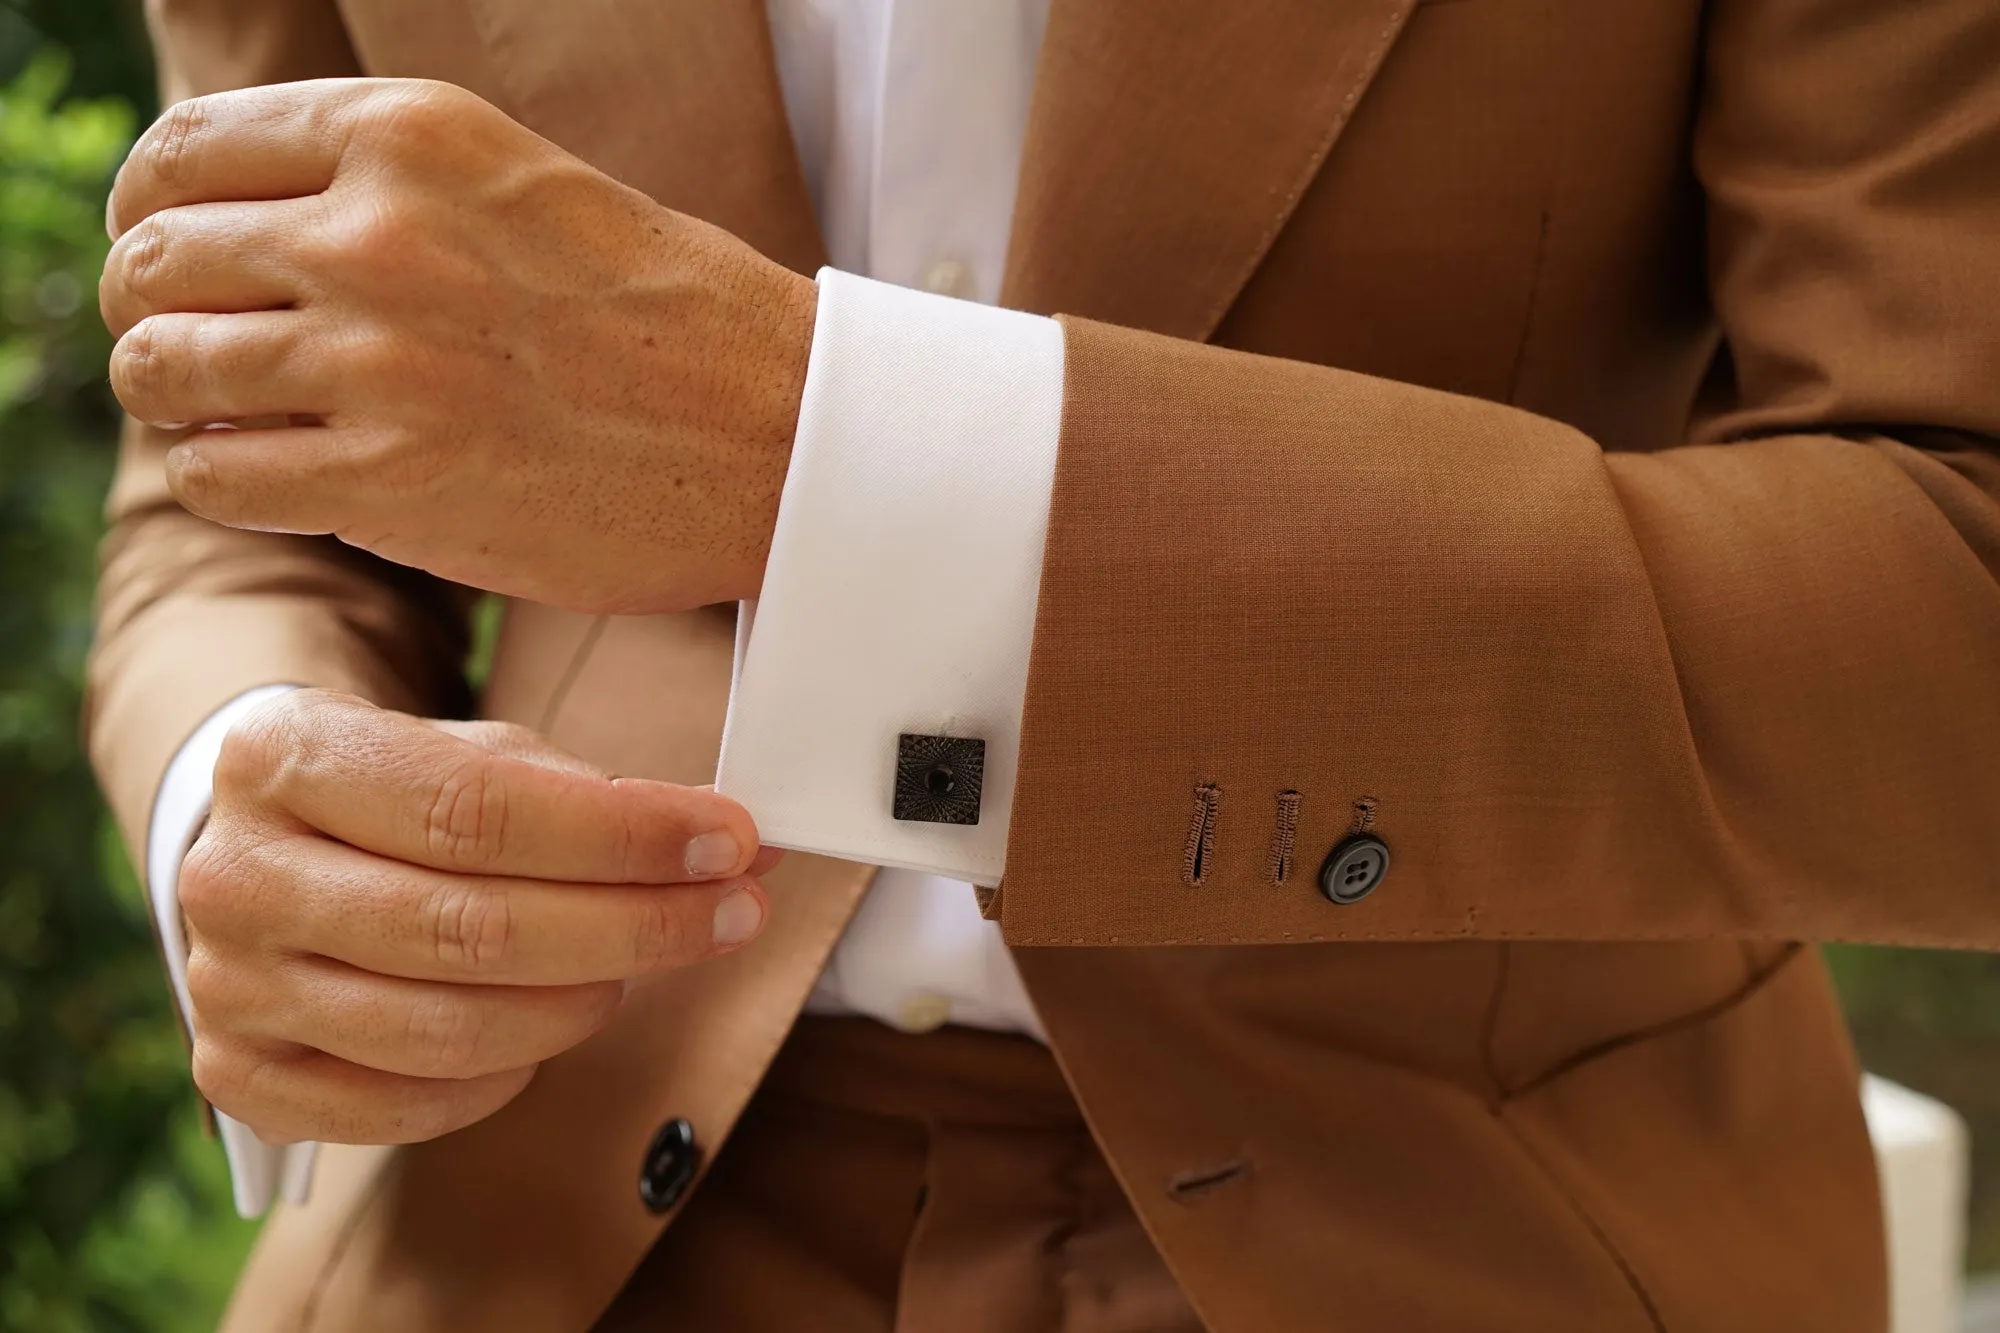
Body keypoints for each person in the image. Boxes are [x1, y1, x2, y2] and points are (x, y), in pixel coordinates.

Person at [86, 0, 2000, 1328]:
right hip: (551, 1206)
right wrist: (235, 787)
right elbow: (224, 477)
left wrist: (825, 451)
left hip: (1485, 1212)